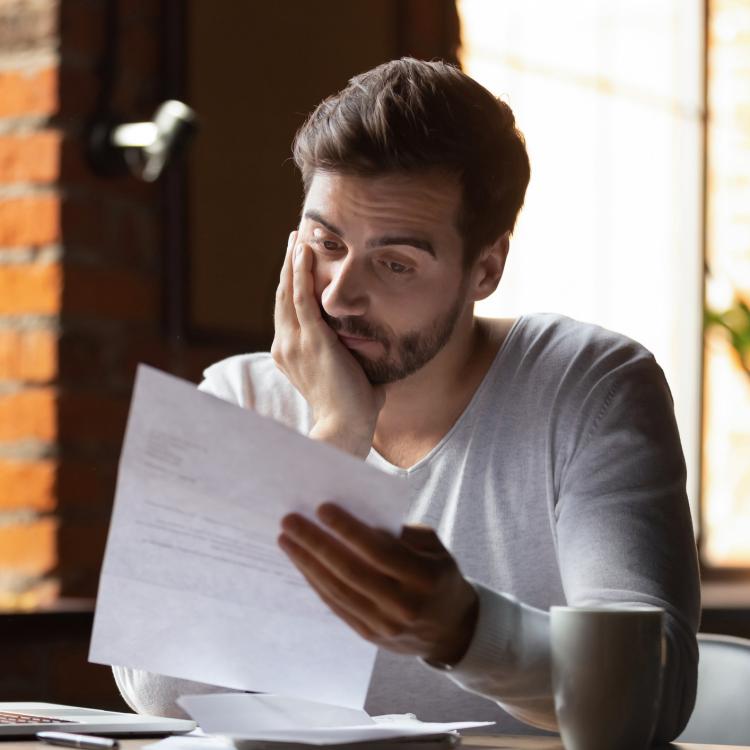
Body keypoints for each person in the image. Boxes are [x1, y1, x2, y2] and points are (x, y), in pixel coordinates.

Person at [113, 58, 700, 738]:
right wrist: (333, 437)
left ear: (486, 268)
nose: (337, 294)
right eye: (325, 242)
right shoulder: (238, 393)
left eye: (395, 263)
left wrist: (465, 632)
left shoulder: (591, 384)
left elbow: (651, 688)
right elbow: (158, 687)